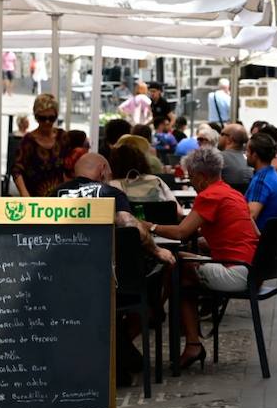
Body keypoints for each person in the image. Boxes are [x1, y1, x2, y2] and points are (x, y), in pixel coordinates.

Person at [55, 152, 173, 387]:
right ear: (102, 171)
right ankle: (124, 355)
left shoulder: (53, 195)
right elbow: (132, 228)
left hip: (63, 284)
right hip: (110, 283)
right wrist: (157, 251)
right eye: (108, 174)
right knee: (148, 289)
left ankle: (122, 356)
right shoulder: (109, 193)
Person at [151, 147, 260, 372]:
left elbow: (182, 233)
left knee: (174, 262)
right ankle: (190, 340)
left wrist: (149, 226)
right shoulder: (232, 193)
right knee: (182, 276)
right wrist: (212, 241)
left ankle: (156, 312)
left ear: (200, 177)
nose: (191, 183)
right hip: (252, 270)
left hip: (234, 273)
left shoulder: (209, 195)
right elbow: (253, 234)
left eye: (191, 178)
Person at [11, 94, 69, 198]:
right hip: (34, 200)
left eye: (51, 118)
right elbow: (17, 170)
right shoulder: (28, 141)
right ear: (36, 117)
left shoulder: (62, 137)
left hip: (60, 199)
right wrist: (25, 195)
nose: (47, 122)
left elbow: (70, 166)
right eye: (42, 118)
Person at [109, 138, 182, 217]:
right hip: (163, 228)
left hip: (132, 228)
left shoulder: (111, 186)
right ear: (142, 161)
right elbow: (179, 212)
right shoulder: (156, 180)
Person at [246, 133, 277, 230]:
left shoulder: (261, 181)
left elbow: (251, 216)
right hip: (271, 237)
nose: (246, 155)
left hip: (259, 239)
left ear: (255, 155)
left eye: (247, 151)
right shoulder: (275, 176)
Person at [219, 123, 253, 191]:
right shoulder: (250, 159)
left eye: (222, 134)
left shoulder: (218, 158)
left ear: (229, 139)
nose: (219, 137)